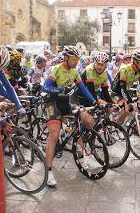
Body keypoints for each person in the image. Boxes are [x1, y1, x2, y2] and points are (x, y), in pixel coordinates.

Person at [42, 45, 97, 187]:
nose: (76, 62)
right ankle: (48, 172)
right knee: (54, 135)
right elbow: (45, 87)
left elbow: (82, 88)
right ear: (66, 58)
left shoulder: (74, 71)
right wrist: (61, 89)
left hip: (65, 101)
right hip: (52, 102)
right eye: (74, 59)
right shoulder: (56, 69)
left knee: (84, 121)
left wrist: (94, 101)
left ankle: (82, 158)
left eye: (77, 59)